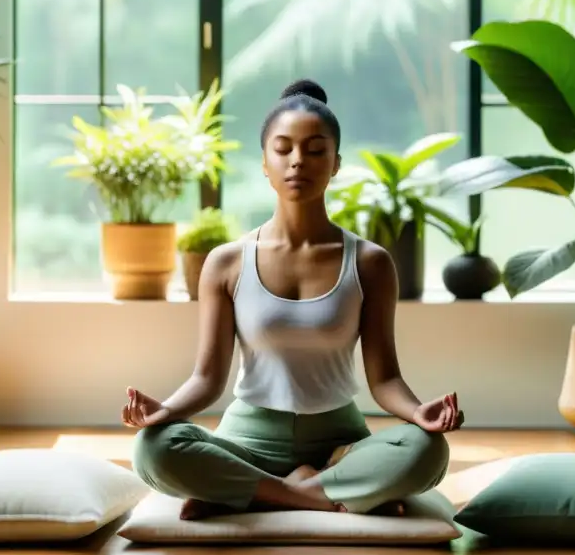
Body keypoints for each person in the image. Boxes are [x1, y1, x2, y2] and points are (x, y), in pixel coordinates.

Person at [123, 79, 463, 520]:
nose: (298, 161)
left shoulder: (371, 262)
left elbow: (384, 380)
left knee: (427, 449)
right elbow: (207, 379)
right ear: (265, 163)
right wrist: (163, 410)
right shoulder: (226, 263)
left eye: (315, 150)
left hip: (340, 445)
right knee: (153, 448)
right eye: (283, 149)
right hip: (246, 444)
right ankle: (322, 493)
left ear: (336, 163)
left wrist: (421, 413)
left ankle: (248, 494)